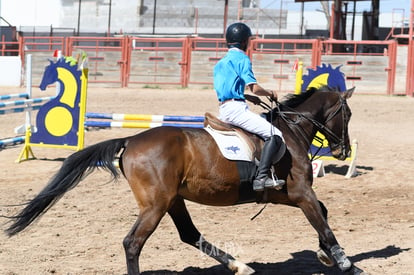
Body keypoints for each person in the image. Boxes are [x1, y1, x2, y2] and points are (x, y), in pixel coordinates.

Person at [213, 22, 286, 192]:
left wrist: (246, 96)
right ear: (244, 41)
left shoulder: (221, 62)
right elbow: (255, 87)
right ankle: (262, 177)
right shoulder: (242, 59)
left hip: (224, 108)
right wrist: (270, 93)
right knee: (274, 134)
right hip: (236, 110)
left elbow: (226, 89)